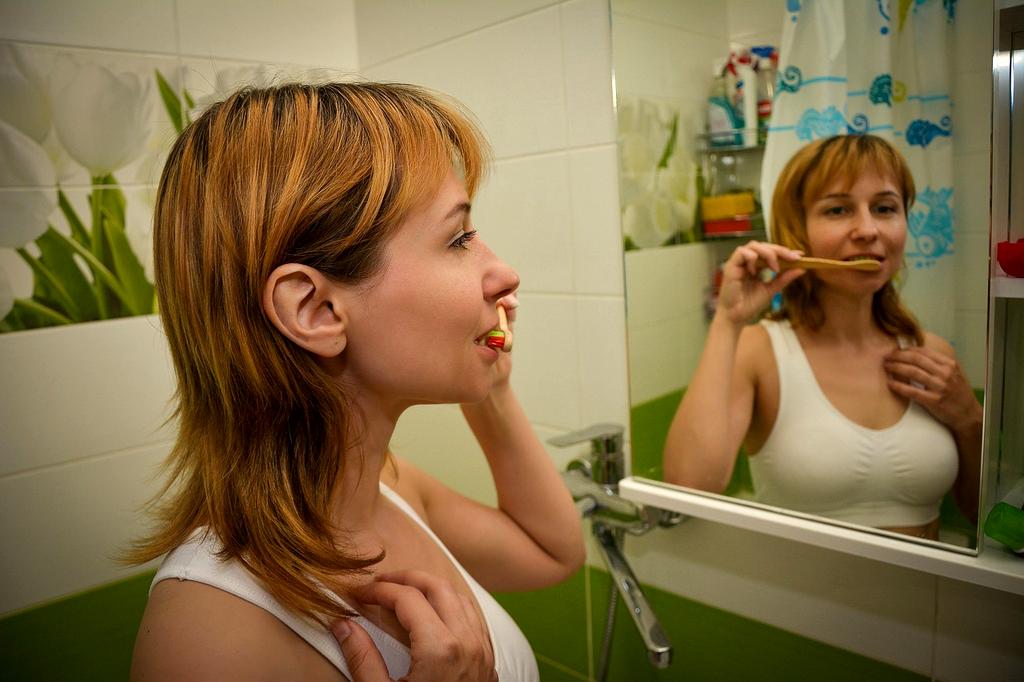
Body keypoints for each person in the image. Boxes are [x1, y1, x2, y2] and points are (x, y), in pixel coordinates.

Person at [127, 82, 585, 681]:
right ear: (315, 310)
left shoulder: (387, 486)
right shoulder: (210, 644)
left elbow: (552, 554)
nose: (502, 272)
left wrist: (493, 386)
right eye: (458, 238)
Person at [663, 134, 981, 540]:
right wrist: (728, 321)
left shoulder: (932, 354)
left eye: (885, 208)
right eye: (838, 210)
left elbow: (980, 518)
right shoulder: (760, 351)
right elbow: (688, 487)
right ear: (797, 232)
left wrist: (970, 420)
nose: (868, 229)